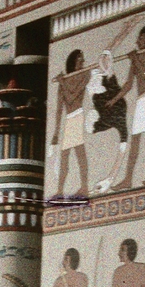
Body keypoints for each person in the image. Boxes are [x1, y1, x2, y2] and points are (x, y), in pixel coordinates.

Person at [108, 25, 145, 190]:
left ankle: (134, 177)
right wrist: (114, 100)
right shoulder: (138, 57)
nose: (138, 42)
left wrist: (135, 59)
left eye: (141, 38)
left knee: (143, 138)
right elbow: (128, 84)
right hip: (141, 99)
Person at [51, 49, 93, 199]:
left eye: (83, 60)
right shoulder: (65, 80)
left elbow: (72, 97)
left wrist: (62, 83)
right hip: (69, 119)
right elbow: (59, 109)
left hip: (77, 115)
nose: (82, 63)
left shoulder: (85, 75)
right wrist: (56, 133)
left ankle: (83, 187)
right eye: (80, 60)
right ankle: (60, 190)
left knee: (77, 153)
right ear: (73, 61)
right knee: (66, 155)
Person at [87, 50, 129, 193]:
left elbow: (123, 147)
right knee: (92, 127)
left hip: (111, 109)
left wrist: (110, 179)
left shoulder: (107, 84)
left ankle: (108, 180)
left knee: (92, 127)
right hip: (110, 110)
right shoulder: (105, 84)